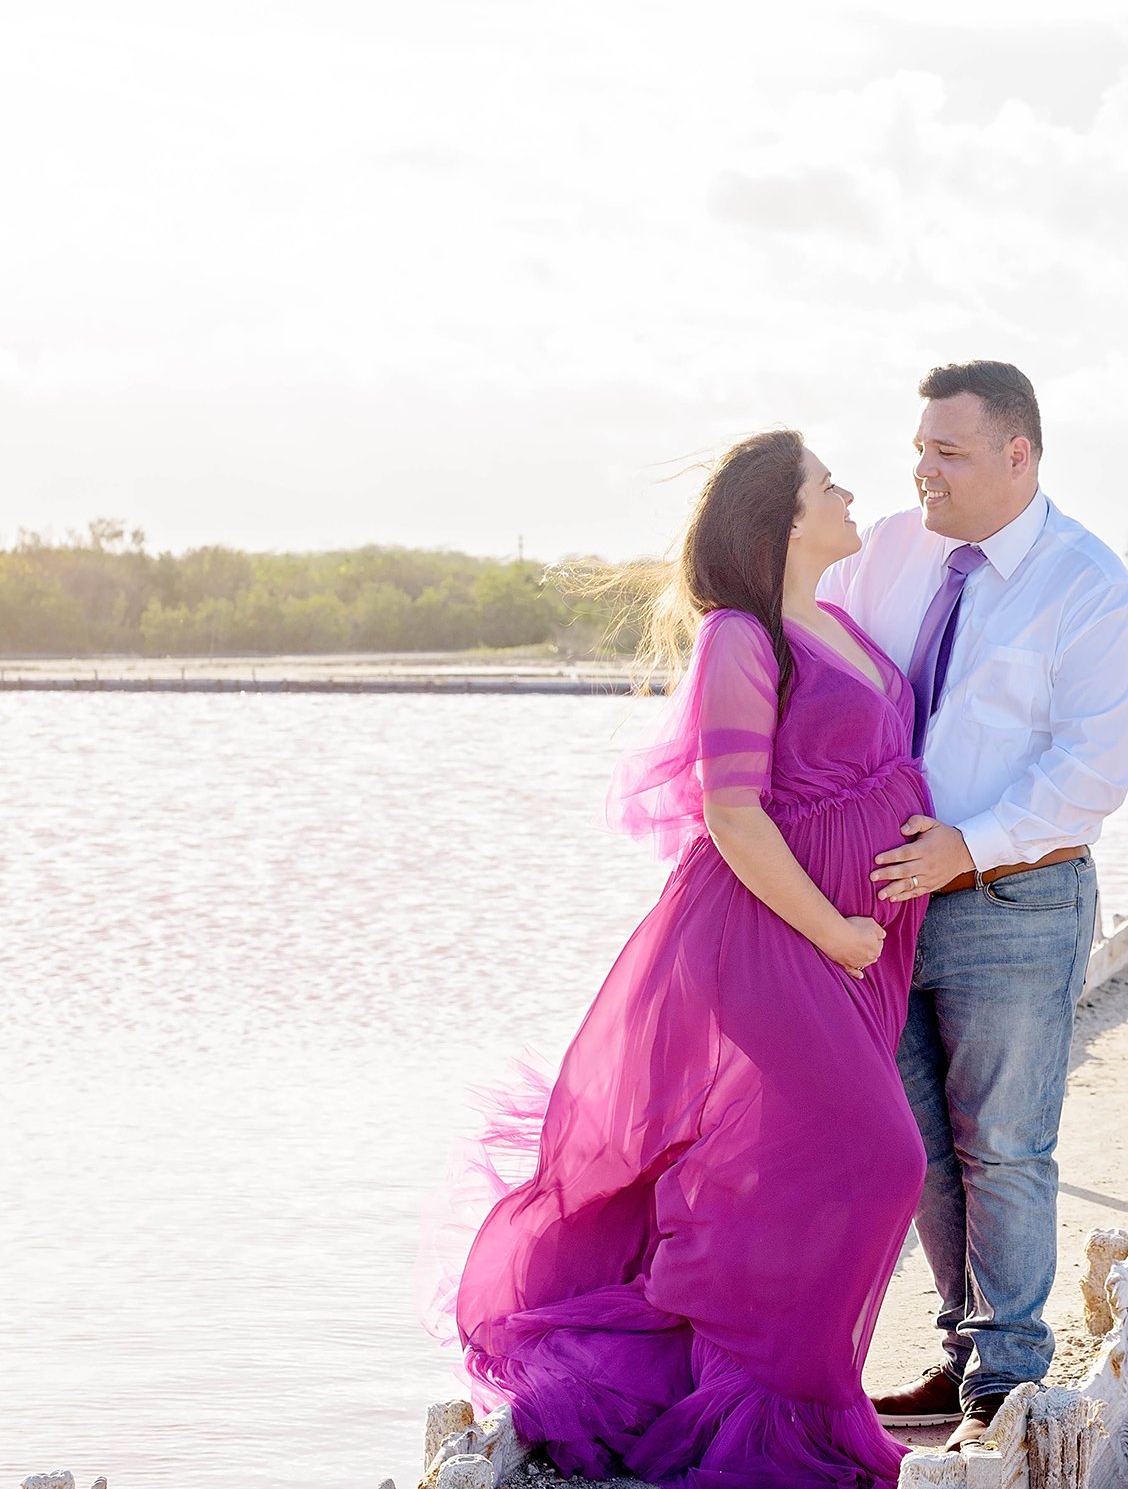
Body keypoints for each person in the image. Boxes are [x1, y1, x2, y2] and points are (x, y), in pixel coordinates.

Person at [449, 430, 935, 1488]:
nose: (850, 494)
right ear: (784, 518)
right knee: (881, 1160)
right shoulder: (740, 637)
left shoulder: (840, 621)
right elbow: (731, 811)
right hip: (775, 936)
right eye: (828, 483)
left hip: (854, 946)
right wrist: (837, 928)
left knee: (781, 1175)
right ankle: (768, 1419)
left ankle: (757, 1396)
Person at [820, 360, 1128, 1450]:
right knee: (917, 1142)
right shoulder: (890, 553)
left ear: (1019, 454)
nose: (924, 471)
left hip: (1015, 898)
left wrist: (970, 842)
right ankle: (962, 1349)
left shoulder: (1085, 580)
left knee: (1003, 1140)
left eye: (948, 452)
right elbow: (812, 659)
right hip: (885, 901)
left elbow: (1094, 768)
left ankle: (1007, 1375)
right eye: (919, 448)